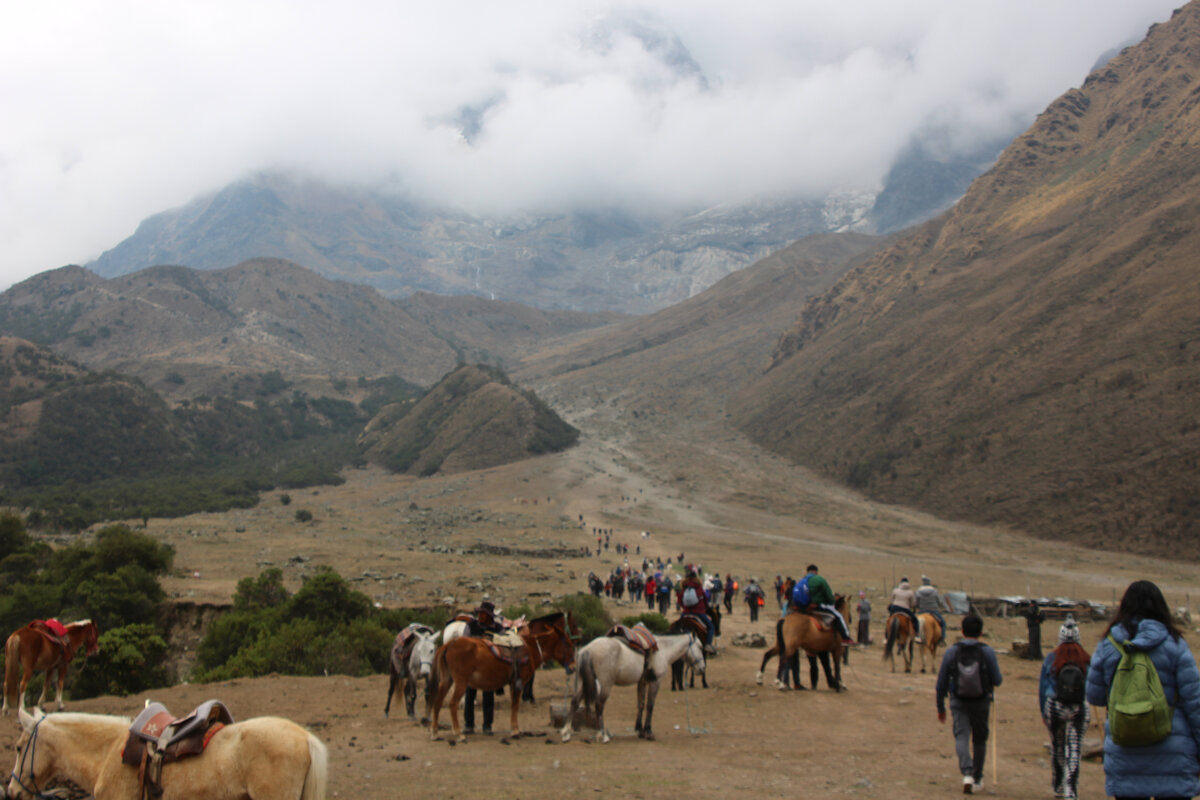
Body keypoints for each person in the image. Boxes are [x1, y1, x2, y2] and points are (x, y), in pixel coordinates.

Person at [1086, 580, 1200, 800]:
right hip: (1173, 752)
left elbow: (1095, 695)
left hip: (1125, 749)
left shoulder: (1108, 644)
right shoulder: (1175, 644)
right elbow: (1194, 701)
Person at [936, 614, 1003, 795]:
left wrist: (940, 707)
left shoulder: (952, 651)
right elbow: (998, 679)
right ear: (981, 632)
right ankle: (978, 777)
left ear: (962, 630)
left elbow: (941, 680)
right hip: (981, 701)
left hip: (958, 700)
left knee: (961, 736)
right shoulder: (987, 651)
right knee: (980, 739)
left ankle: (966, 773)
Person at [1039, 616, 1091, 800]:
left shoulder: (1053, 657)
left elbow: (1044, 687)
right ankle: (1071, 788)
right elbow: (1091, 685)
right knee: (1075, 747)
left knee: (1058, 745)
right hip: (1079, 707)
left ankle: (1058, 784)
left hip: (1055, 705)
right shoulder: (1084, 658)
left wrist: (1043, 710)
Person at [463, 600, 505, 735]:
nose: (481, 615)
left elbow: (503, 646)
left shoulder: (498, 629)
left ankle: (487, 725)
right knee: (470, 695)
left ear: (489, 615)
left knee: (488, 697)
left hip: (489, 669)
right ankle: (469, 724)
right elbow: (464, 644)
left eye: (484, 613)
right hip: (472, 668)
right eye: (480, 613)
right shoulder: (471, 626)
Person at [802, 565, 853, 646]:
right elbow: (829, 596)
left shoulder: (802, 580)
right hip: (816, 607)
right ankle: (846, 638)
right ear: (816, 572)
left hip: (803, 608)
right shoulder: (819, 579)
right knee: (838, 616)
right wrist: (831, 601)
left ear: (807, 571)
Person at [677, 568, 716, 652]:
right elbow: (705, 600)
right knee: (711, 627)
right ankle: (708, 645)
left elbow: (680, 601)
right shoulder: (699, 587)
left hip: (686, 613)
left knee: (677, 627)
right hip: (699, 613)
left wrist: (685, 608)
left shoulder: (684, 588)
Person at [915, 575, 950, 643]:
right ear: (929, 583)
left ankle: (917, 636)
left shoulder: (918, 592)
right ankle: (942, 638)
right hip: (933, 610)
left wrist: (919, 607)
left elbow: (917, 603)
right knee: (943, 623)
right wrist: (939, 605)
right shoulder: (934, 591)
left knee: (915, 623)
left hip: (922, 611)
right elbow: (939, 601)